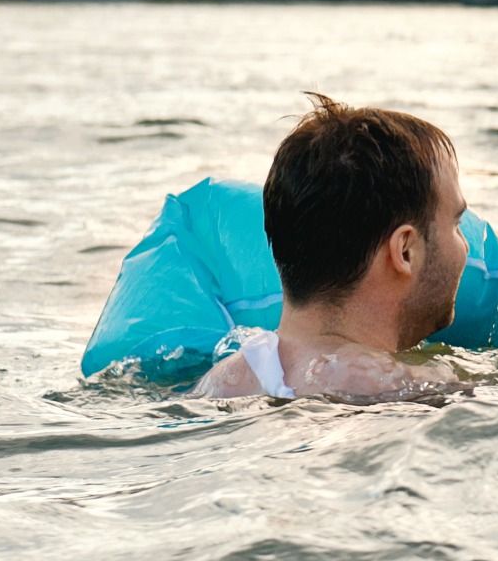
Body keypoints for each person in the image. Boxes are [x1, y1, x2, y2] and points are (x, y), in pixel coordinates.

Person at [194, 97, 473, 403]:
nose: (465, 246)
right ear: (405, 250)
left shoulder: (222, 381)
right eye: (456, 224)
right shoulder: (397, 385)